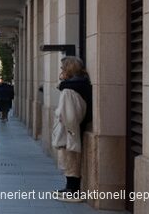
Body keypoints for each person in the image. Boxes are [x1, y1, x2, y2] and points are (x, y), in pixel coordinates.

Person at [52, 57, 92, 201]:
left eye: (63, 68)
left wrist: (66, 124)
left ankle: (73, 190)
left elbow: (68, 113)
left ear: (69, 69)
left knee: (71, 158)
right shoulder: (80, 84)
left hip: (70, 128)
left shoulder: (69, 89)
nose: (61, 71)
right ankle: (70, 187)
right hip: (74, 127)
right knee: (70, 158)